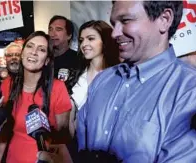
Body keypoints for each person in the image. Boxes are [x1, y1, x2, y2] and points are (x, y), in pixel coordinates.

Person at [76, 1, 196, 162]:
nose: (114, 33)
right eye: (114, 23)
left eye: (126, 21)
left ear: (164, 19)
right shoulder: (102, 81)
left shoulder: (189, 91)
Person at [0, 31, 72, 163]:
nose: (34, 52)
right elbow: (4, 132)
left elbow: (62, 138)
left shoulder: (57, 88)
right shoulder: (7, 85)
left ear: (47, 60)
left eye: (41, 49)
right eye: (30, 46)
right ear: (22, 54)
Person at [67, 20, 119, 137]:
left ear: (105, 41)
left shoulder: (118, 75)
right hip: (78, 145)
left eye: (90, 39)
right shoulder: (77, 74)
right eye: (81, 40)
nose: (84, 44)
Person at [48, 15, 79, 81]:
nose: (52, 34)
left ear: (69, 35)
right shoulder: (43, 58)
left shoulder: (78, 60)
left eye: (58, 29)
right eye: (50, 29)